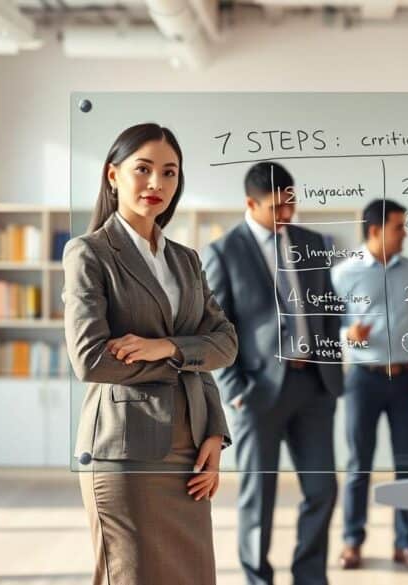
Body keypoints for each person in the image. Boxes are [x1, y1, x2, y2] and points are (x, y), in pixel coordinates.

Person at [62, 123, 238, 585]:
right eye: (143, 169)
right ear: (113, 175)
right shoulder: (90, 254)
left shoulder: (186, 259)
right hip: (125, 452)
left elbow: (225, 344)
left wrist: (214, 434)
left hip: (189, 451)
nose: (157, 183)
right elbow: (91, 360)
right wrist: (188, 355)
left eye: (169, 172)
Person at [203, 161, 344, 585]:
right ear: (251, 203)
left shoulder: (313, 242)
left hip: (314, 389)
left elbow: (329, 311)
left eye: (291, 204)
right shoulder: (223, 252)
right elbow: (214, 328)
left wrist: (331, 361)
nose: (287, 214)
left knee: (323, 491)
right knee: (258, 500)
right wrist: (236, 390)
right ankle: (257, 580)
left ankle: (309, 578)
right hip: (257, 394)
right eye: (276, 207)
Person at [332, 199, 408, 574]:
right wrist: (349, 335)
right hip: (363, 379)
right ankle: (351, 542)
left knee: (407, 465)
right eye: (399, 227)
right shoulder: (343, 273)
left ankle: (405, 544)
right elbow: (332, 329)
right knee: (359, 464)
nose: (405, 233)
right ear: (375, 230)